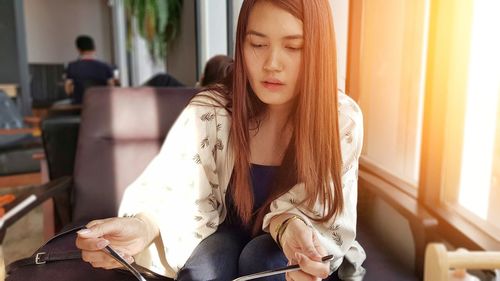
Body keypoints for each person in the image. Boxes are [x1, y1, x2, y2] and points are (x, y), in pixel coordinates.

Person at [76, 1, 366, 280]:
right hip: (219, 234)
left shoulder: (341, 119)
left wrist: (290, 228)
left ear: (319, 49)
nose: (272, 64)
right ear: (241, 44)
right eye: (258, 44)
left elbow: (328, 217)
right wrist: (142, 226)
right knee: (205, 268)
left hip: (296, 248)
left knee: (265, 261)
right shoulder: (211, 111)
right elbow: (174, 188)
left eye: (293, 47)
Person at [64, 35, 115, 104]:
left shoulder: (72, 66)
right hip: (101, 105)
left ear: (78, 49)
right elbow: (111, 87)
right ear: (94, 48)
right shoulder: (106, 66)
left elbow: (67, 89)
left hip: (80, 105)